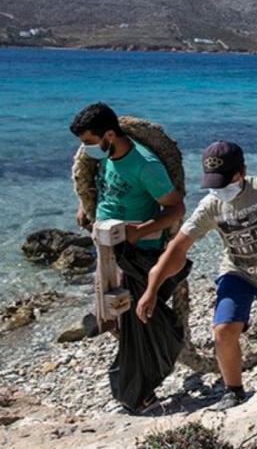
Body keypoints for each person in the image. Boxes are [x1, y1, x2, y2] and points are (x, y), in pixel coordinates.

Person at [136, 140, 257, 411]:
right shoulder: (210, 207)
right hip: (237, 272)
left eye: (223, 182)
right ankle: (234, 390)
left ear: (240, 173)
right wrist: (151, 288)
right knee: (223, 329)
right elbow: (178, 247)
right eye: (213, 184)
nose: (218, 190)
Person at [69, 102, 186, 413]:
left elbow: (176, 209)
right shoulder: (106, 156)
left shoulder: (145, 166)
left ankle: (141, 393)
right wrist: (86, 208)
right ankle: (133, 383)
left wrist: (140, 230)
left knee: (142, 324)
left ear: (109, 134)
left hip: (139, 253)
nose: (86, 150)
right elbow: (107, 190)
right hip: (108, 247)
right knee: (120, 318)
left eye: (90, 142)